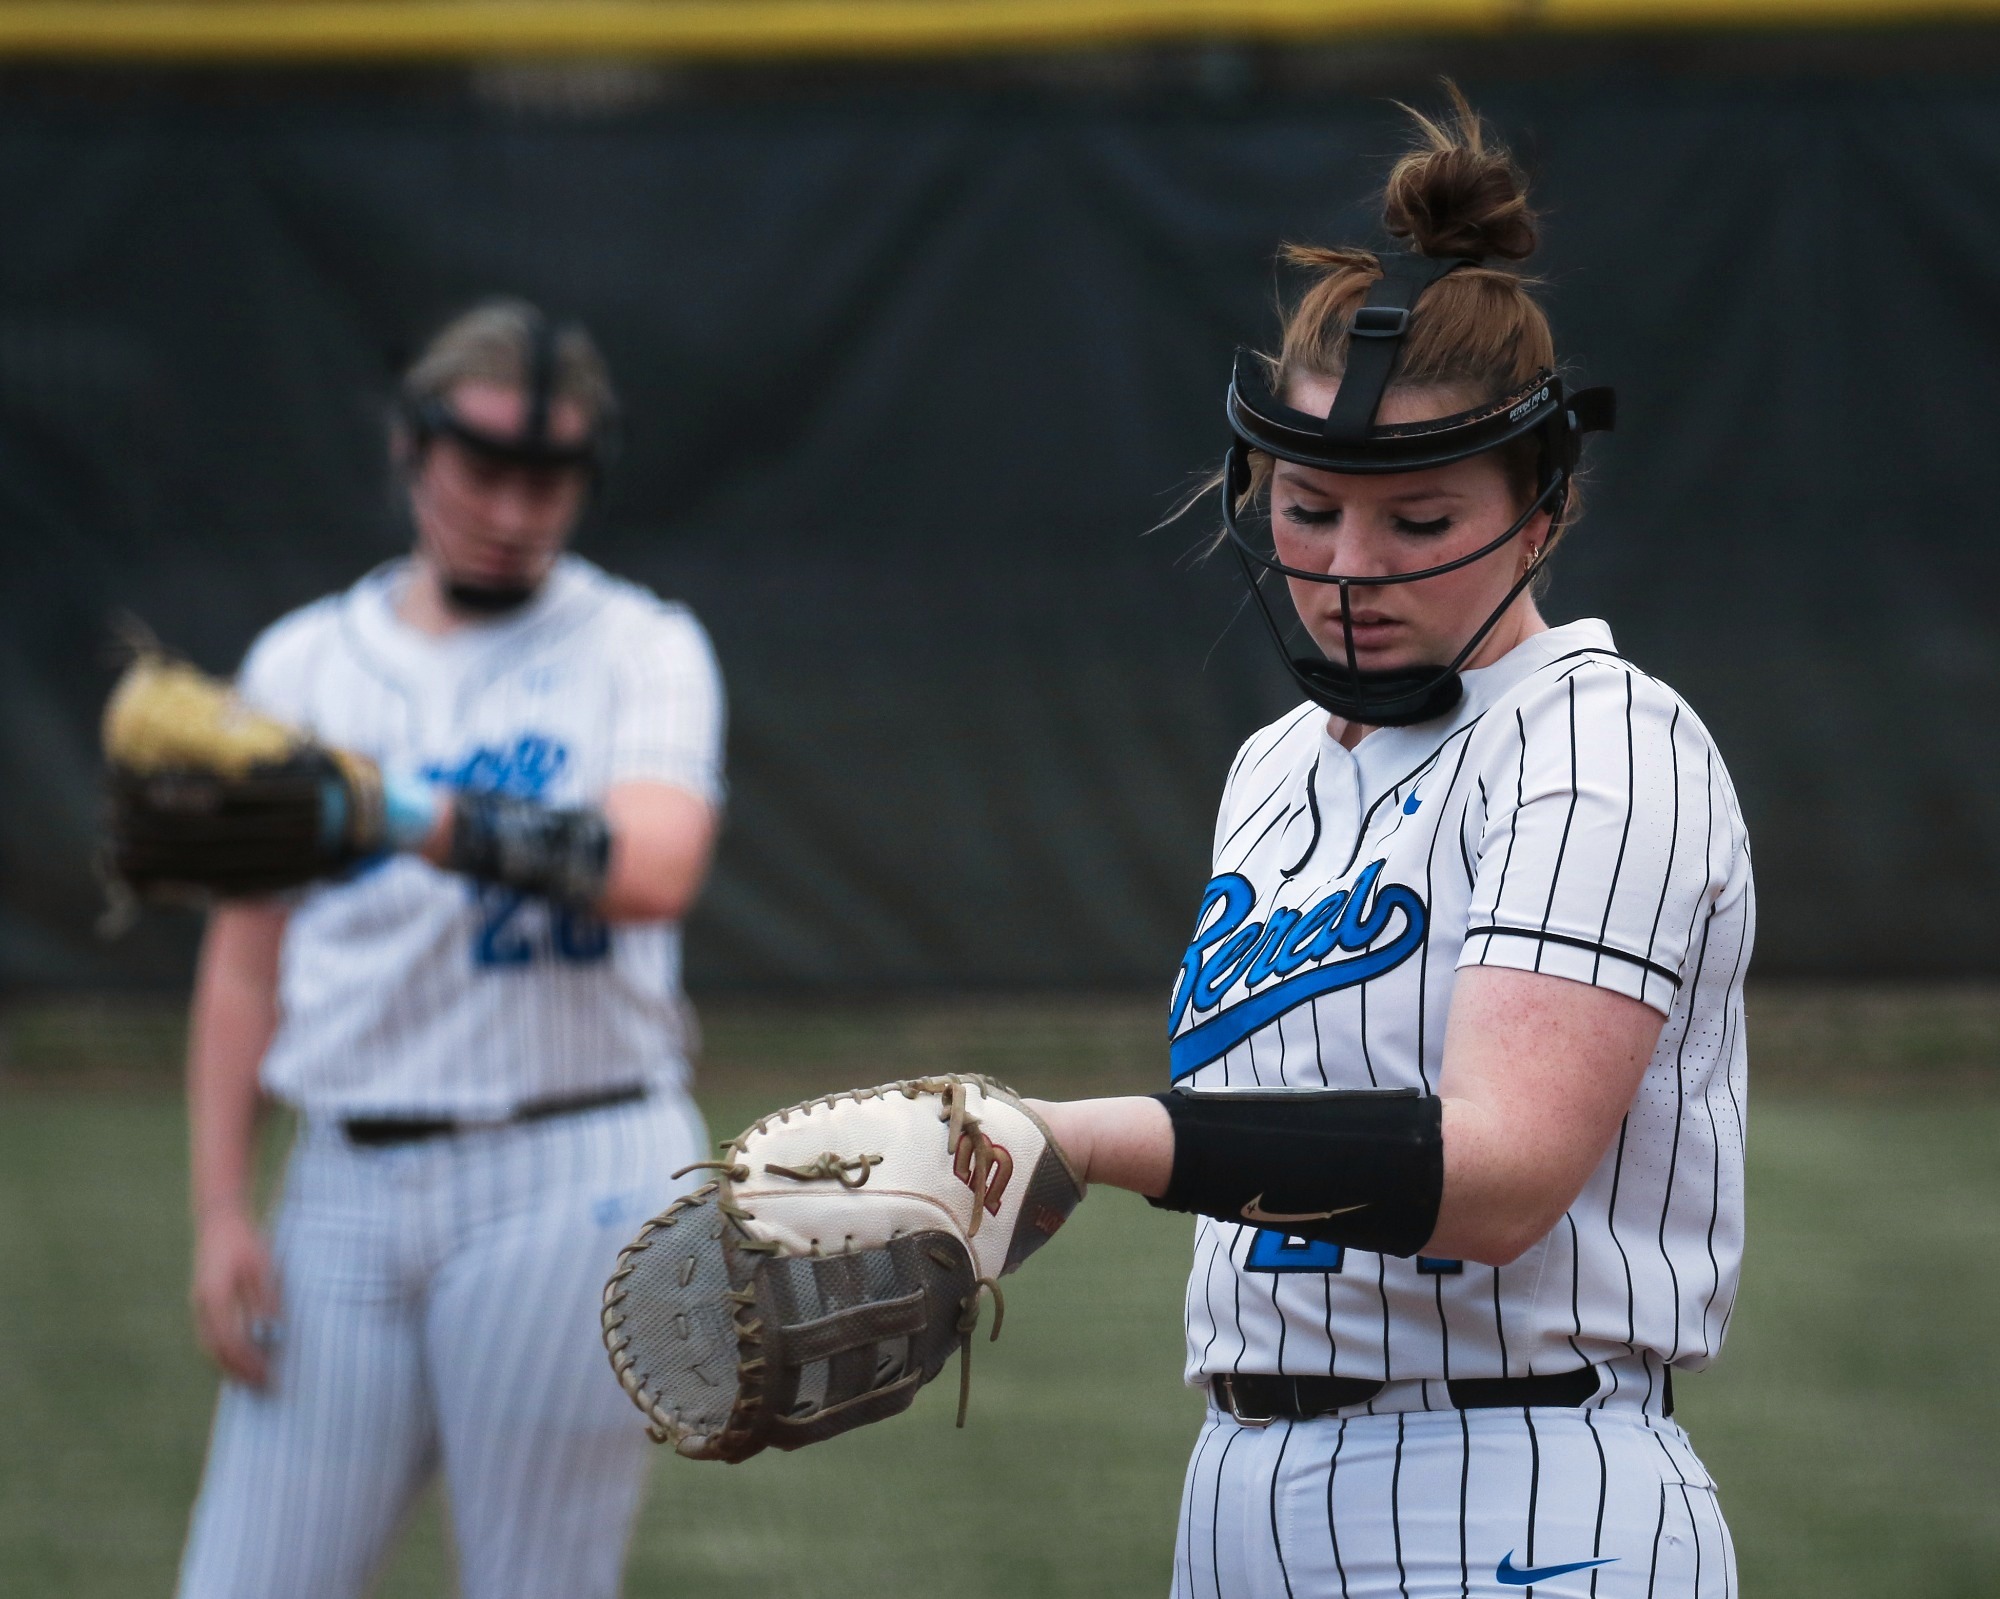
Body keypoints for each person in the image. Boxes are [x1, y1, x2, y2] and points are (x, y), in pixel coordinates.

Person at [1028, 93, 1752, 1597]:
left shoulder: (1600, 741)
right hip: (1240, 1484)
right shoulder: (1276, 765)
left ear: (1542, 513)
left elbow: (1500, 1176)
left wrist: (1076, 1141)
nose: (1349, 567)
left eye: (1419, 522)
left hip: (1517, 1485)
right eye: (1309, 509)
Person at [175, 299, 725, 1599]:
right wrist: (220, 1208)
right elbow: (245, 964)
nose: (514, 508)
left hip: (573, 1174)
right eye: (482, 468)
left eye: (549, 478)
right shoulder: (302, 663)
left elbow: (652, 871)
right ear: (411, 449)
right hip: (344, 1184)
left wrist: (397, 813)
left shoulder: (640, 647)